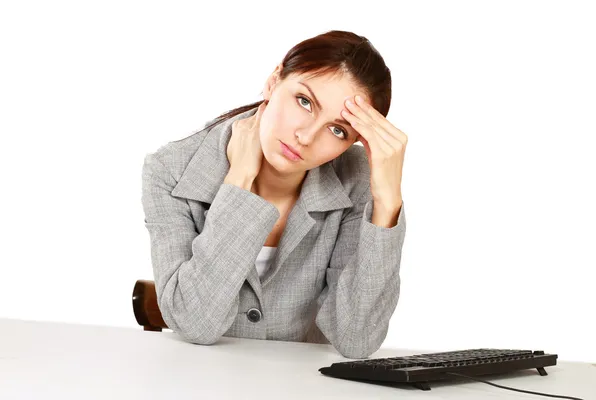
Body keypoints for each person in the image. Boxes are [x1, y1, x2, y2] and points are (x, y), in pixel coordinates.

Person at [141, 30, 408, 359]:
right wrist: (239, 179)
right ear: (273, 81)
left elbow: (356, 338)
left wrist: (387, 202)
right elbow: (195, 323)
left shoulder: (355, 179)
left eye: (338, 130)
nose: (306, 136)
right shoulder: (170, 169)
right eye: (305, 101)